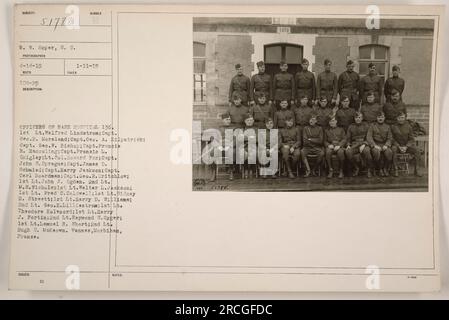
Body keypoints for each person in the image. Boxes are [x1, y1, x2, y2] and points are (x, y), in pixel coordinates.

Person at [391, 112, 422, 177]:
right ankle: (395, 169)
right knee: (393, 150)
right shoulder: (393, 127)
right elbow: (392, 139)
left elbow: (411, 139)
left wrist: (406, 146)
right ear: (397, 118)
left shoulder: (408, 127)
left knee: (417, 150)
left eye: (402, 118)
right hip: (397, 146)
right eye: (399, 118)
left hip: (407, 146)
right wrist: (399, 146)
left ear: (405, 118)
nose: (401, 119)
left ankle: (417, 170)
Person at [345, 112, 373, 178]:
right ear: (354, 119)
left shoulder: (366, 125)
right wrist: (348, 145)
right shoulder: (351, 126)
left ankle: (369, 169)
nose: (358, 119)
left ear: (362, 118)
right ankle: (356, 167)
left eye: (359, 117)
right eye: (356, 118)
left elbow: (369, 137)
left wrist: (364, 144)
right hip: (354, 144)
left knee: (367, 151)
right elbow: (348, 138)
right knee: (348, 152)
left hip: (364, 144)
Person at [367, 111, 393, 177]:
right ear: (376, 118)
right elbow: (369, 137)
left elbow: (390, 138)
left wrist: (386, 145)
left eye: (382, 117)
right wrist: (374, 145)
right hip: (375, 144)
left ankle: (385, 168)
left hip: (384, 144)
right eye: (379, 117)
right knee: (376, 152)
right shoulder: (372, 126)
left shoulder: (387, 126)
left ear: (384, 118)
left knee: (389, 152)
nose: (380, 119)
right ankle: (379, 169)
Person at [242, 113, 257, 179]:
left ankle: (252, 169)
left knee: (253, 152)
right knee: (244, 153)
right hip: (244, 146)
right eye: (248, 120)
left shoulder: (256, 129)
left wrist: (247, 138)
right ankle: (245, 169)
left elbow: (258, 138)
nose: (249, 122)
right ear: (245, 121)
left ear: (253, 121)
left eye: (251, 120)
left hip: (254, 145)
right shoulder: (242, 129)